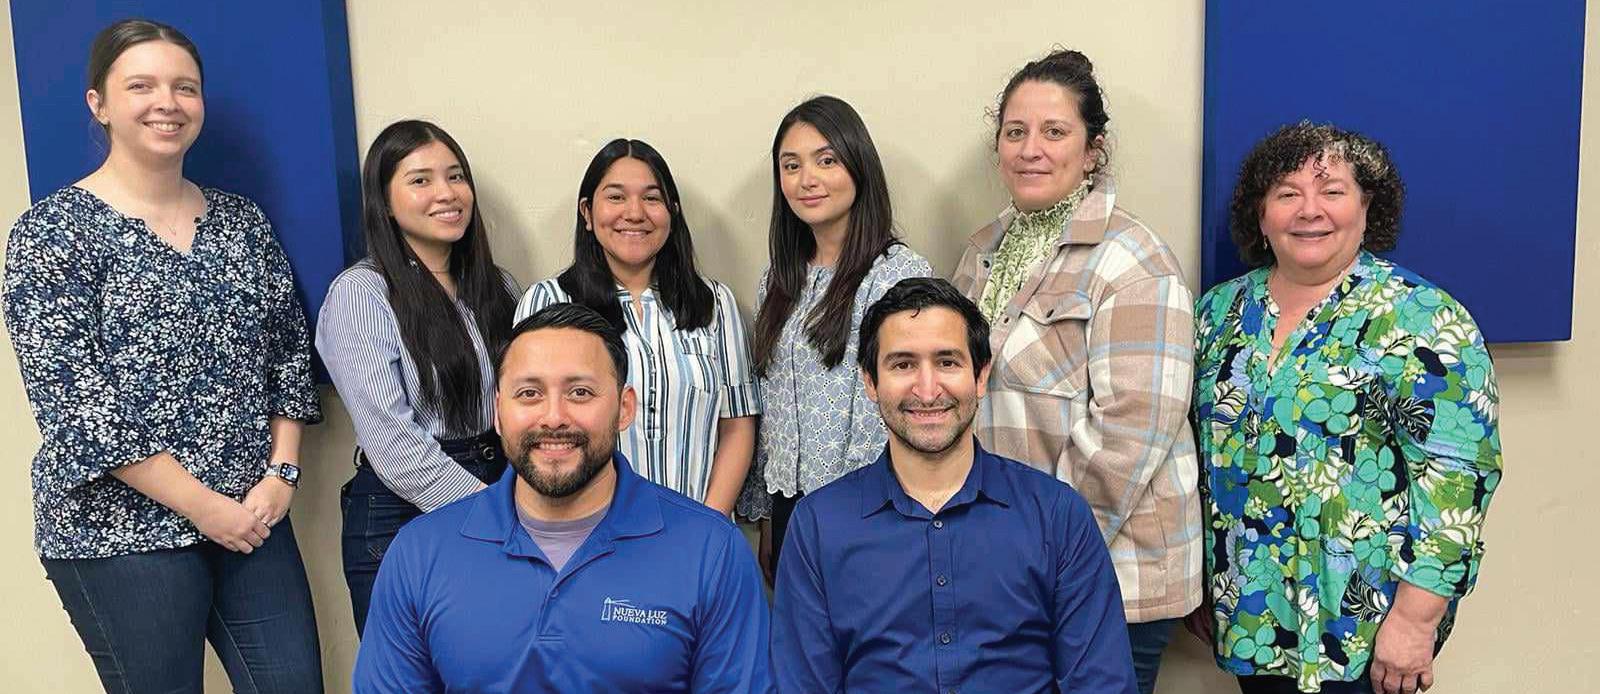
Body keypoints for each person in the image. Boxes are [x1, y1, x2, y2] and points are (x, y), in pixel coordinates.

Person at [2, 19, 323, 692]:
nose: (167, 104)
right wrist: (203, 507)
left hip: (252, 514)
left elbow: (288, 357)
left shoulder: (240, 222)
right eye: (141, 86)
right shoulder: (51, 233)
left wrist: (282, 474)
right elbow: (80, 408)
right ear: (99, 104)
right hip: (119, 532)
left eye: (185, 87)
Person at [1187, 122, 1503, 694]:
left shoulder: (1423, 318)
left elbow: (1459, 481)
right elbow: (1196, 458)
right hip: (1252, 617)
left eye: (1332, 191)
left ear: (1367, 207)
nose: (1310, 210)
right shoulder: (1217, 314)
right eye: (1287, 193)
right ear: (1261, 215)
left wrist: (1416, 620)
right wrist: (1202, 581)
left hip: (1365, 628)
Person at [354, 303, 771, 693]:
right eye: (529, 394)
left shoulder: (711, 551)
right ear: (498, 412)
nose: (553, 418)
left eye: (580, 393)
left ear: (624, 408)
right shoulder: (419, 554)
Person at [949, 48, 1200, 693]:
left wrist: (1037, 552)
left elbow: (1130, 432)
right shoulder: (983, 252)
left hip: (1107, 576)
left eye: (1054, 132)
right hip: (1007, 564)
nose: (1030, 149)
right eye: (1015, 132)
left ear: (1093, 151)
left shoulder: (1134, 260)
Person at [772, 277, 1135, 693]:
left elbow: (1102, 684)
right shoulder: (818, 527)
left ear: (981, 376)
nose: (928, 391)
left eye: (947, 362)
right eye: (903, 364)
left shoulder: (1057, 516)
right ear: (870, 382)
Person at [316, 119, 518, 635]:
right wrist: (495, 516)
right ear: (384, 202)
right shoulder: (361, 293)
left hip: (503, 485)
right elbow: (392, 441)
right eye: (420, 180)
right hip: (402, 513)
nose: (446, 194)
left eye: (455, 176)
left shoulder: (498, 288)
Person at [734, 95, 933, 576]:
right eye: (791, 165)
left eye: (826, 160)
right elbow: (773, 404)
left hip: (871, 511)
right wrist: (768, 516)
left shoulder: (897, 275)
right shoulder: (778, 279)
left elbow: (900, 404)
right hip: (791, 508)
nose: (807, 179)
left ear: (858, 166)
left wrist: (857, 520)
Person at [515, 138, 758, 516]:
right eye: (615, 197)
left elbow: (737, 426)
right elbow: (529, 425)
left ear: (672, 212)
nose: (634, 213)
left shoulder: (715, 303)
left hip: (694, 529)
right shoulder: (548, 300)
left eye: (651, 198)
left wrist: (706, 526)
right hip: (585, 531)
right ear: (587, 212)